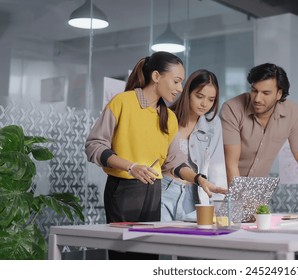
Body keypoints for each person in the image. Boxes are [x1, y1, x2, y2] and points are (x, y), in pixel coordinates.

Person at [85, 51, 185, 259]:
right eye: (176, 81)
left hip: (153, 190)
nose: (179, 88)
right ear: (156, 76)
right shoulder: (122, 102)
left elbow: (174, 161)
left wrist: (200, 179)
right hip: (123, 190)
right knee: (124, 257)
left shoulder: (170, 117)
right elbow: (94, 145)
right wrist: (131, 166)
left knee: (148, 256)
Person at [219, 63, 298, 202]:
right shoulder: (232, 108)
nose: (257, 99)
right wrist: (239, 207)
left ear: (279, 94)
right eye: (254, 90)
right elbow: (231, 164)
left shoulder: (293, 113)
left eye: (266, 93)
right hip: (224, 189)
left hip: (256, 194)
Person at [161, 69, 227, 222]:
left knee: (192, 242)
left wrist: (219, 207)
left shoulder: (213, 124)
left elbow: (217, 168)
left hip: (196, 194)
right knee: (162, 240)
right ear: (188, 92)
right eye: (199, 96)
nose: (204, 104)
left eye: (211, 100)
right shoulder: (167, 117)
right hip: (164, 190)